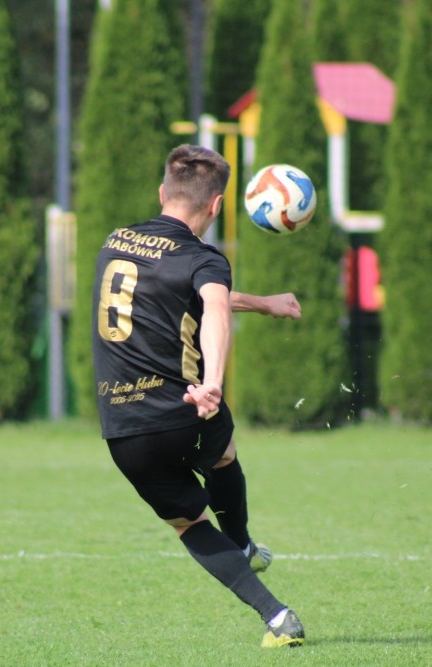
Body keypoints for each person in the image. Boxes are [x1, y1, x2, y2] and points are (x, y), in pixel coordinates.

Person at [91, 144, 305, 648]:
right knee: (223, 451)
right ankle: (243, 542)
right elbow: (213, 307)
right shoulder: (203, 257)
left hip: (122, 426)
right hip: (186, 408)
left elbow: (192, 296)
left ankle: (277, 617)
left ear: (162, 192)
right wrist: (213, 382)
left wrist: (262, 304)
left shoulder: (116, 241)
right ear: (216, 205)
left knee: (189, 523)